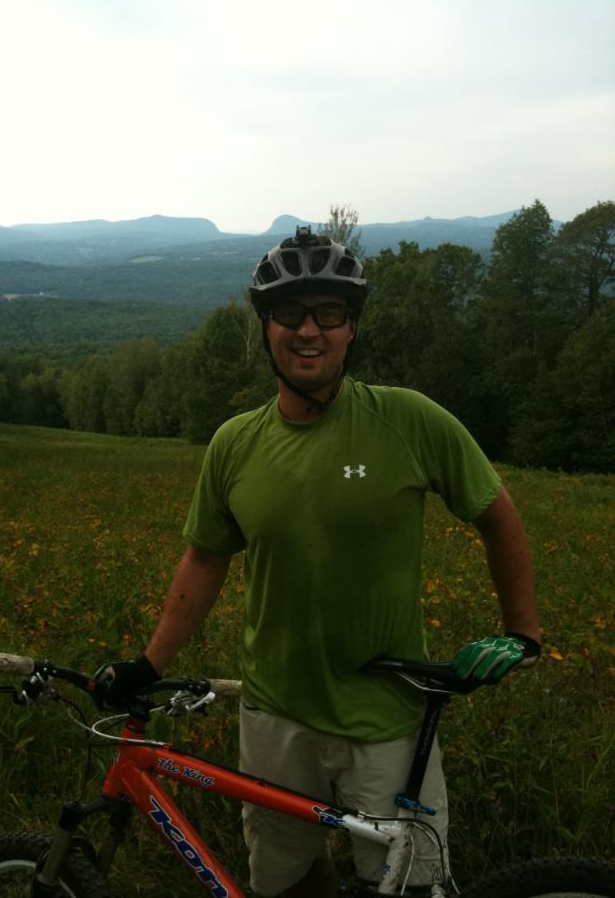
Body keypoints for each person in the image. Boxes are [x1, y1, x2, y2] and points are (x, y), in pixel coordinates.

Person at [97, 226, 541, 897]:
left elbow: (497, 516)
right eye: (289, 313)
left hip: (387, 718)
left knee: (407, 888)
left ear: (351, 329)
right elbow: (204, 559)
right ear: (265, 328)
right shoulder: (234, 444)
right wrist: (149, 665)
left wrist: (521, 631)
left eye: (327, 314)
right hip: (275, 714)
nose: (308, 331)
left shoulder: (410, 420)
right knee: (291, 880)